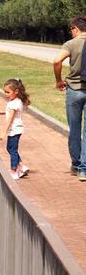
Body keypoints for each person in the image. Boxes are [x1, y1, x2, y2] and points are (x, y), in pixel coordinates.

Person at [53, 16, 86, 180]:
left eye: (71, 30)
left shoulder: (71, 44)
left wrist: (59, 80)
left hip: (74, 89)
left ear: (75, 28)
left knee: (74, 128)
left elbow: (57, 60)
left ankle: (76, 165)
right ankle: (84, 170)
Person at [0, 78, 31, 180]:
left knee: (13, 150)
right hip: (16, 129)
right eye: (5, 92)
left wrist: (3, 132)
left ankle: (14, 171)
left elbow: (10, 119)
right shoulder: (16, 101)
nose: (6, 94)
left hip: (14, 130)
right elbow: (12, 113)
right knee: (11, 148)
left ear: (16, 92)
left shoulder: (14, 103)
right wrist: (3, 112)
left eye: (8, 92)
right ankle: (21, 166)